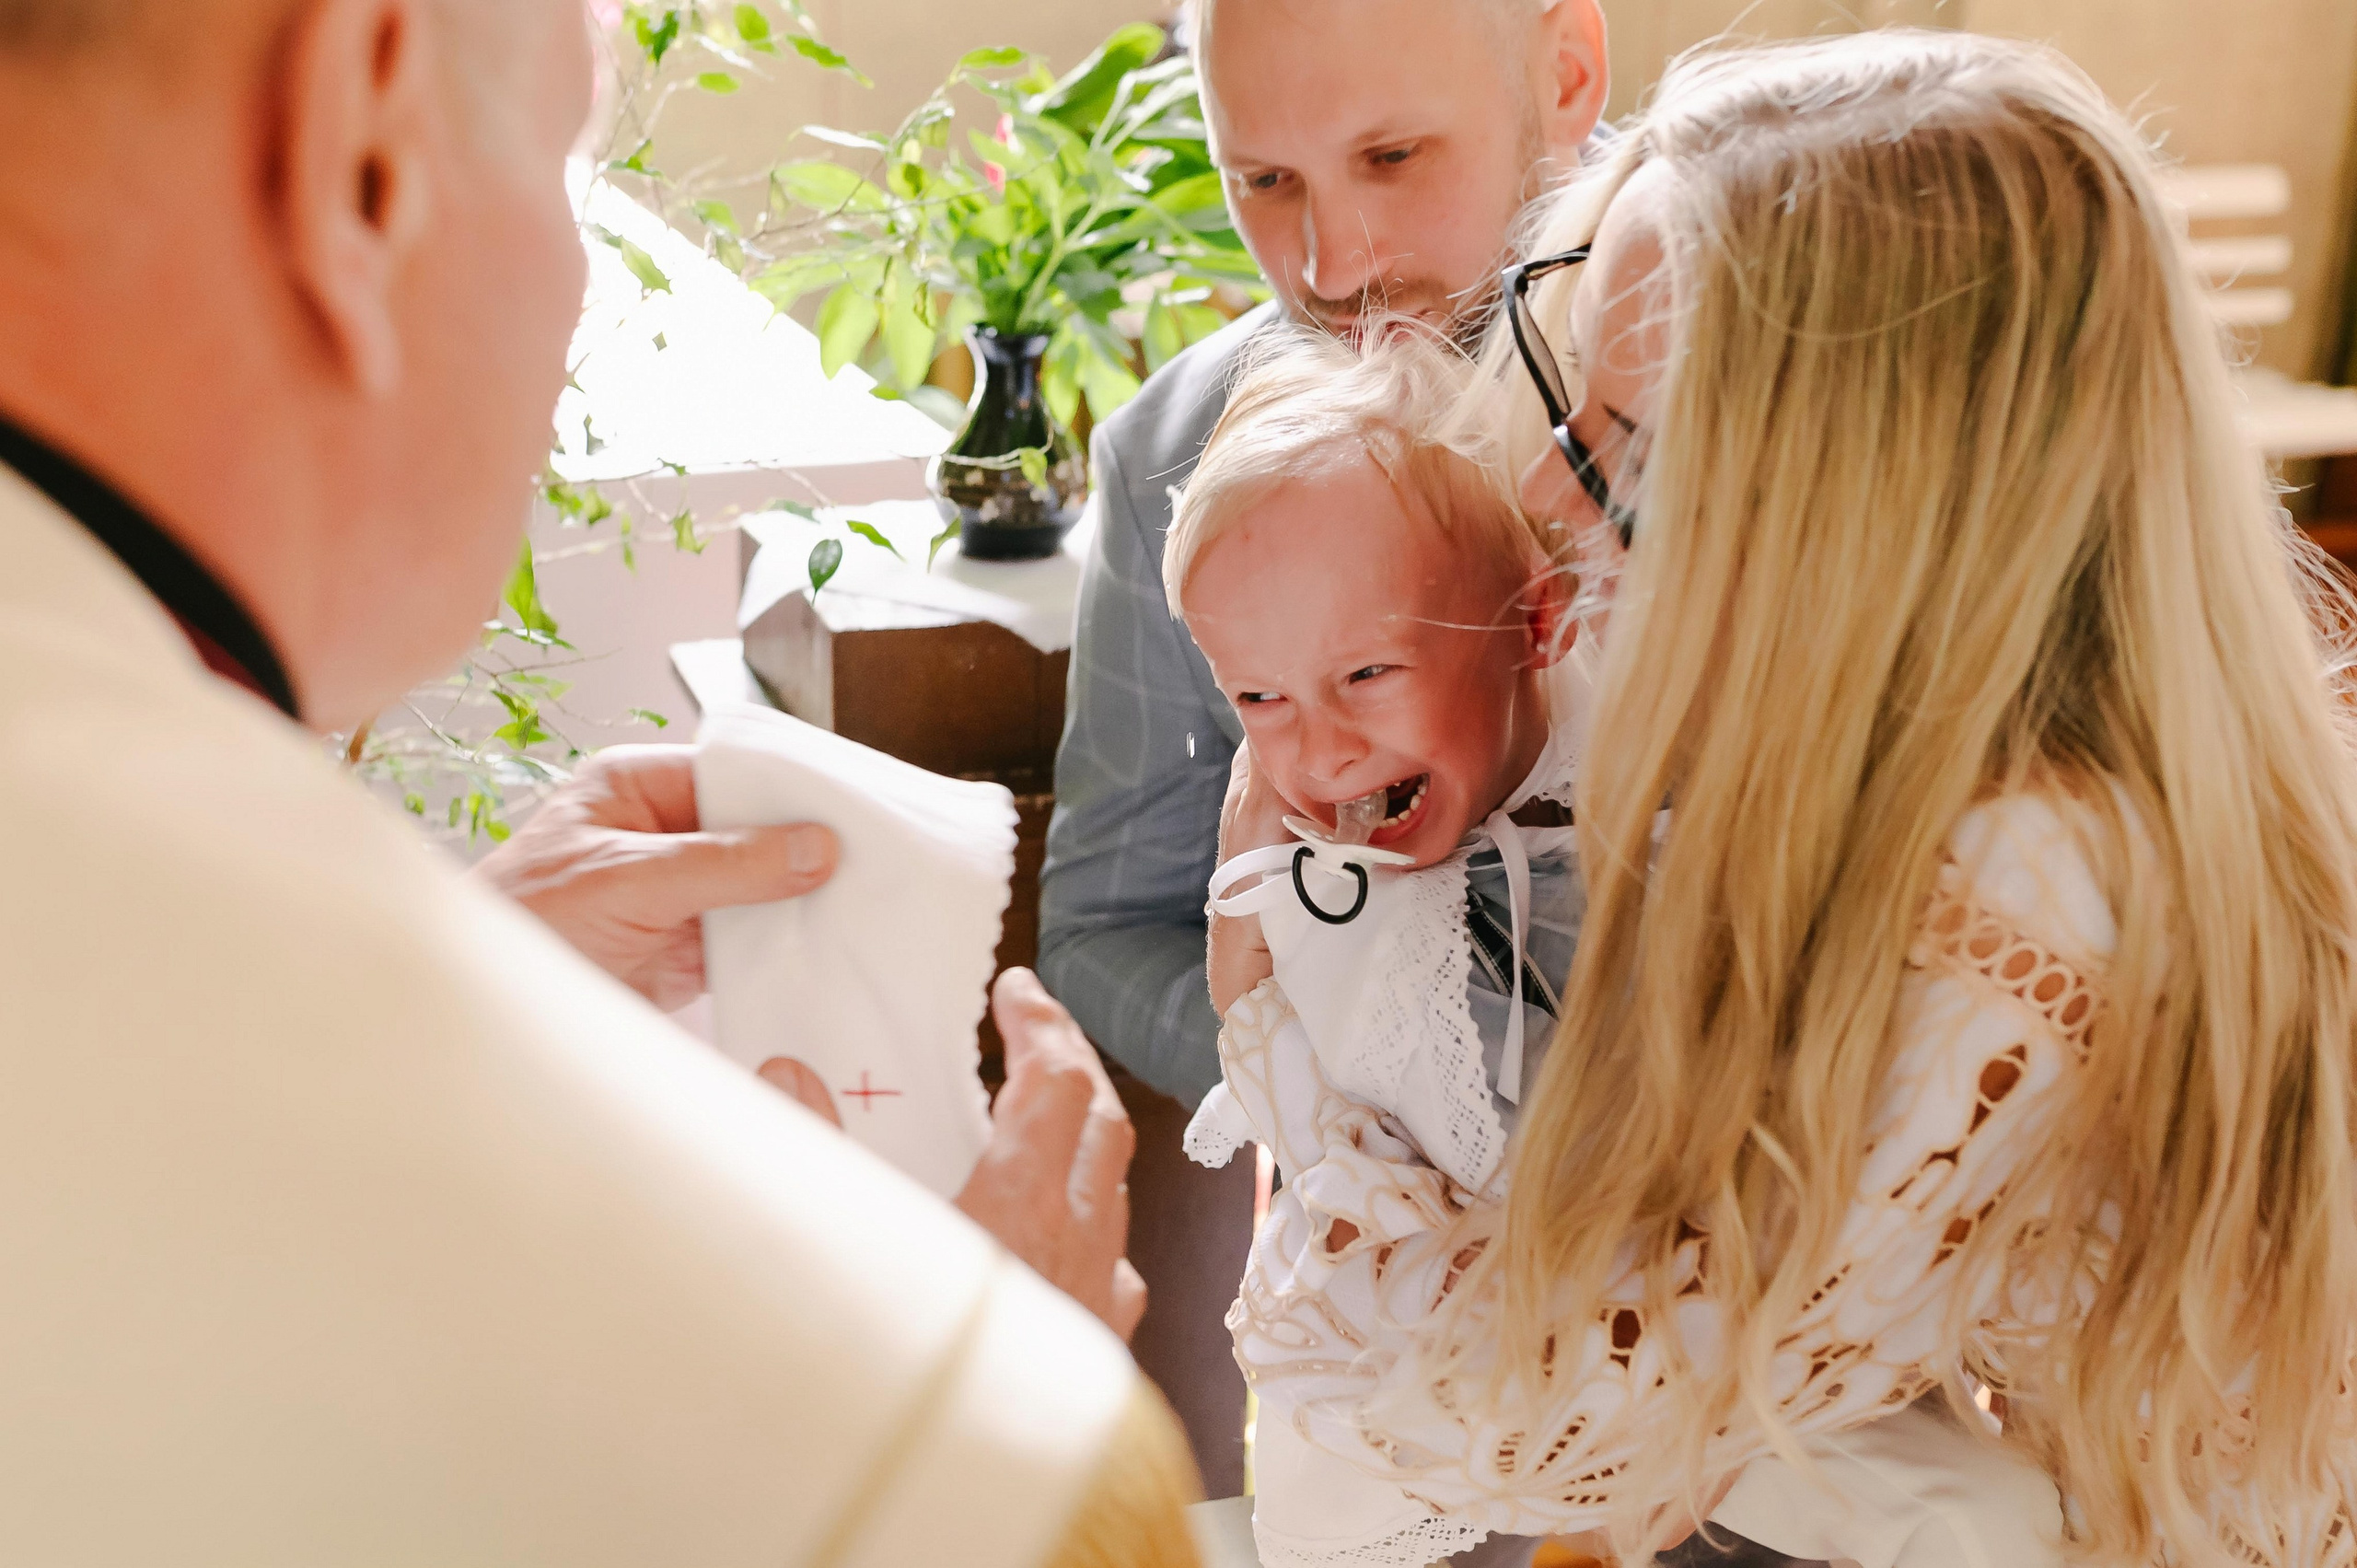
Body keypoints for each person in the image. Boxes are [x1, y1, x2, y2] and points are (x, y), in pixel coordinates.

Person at [0, 0, 1197, 1561]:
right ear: (360, 143)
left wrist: (456, 982)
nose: (571, 317)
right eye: (574, 158)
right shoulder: (940, 1451)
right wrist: (971, 1392)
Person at [1221, 28, 2357, 1567]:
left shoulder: (2032, 884)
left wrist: (1271, 1011)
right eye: (1562, 391)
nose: (1548, 502)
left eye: (1620, 460)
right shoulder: (1970, 732)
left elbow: (1516, 1416)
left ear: (1845, 531)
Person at [1167, 327, 2070, 1568]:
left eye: (1368, 671)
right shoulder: (1297, 848)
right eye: (1256, 696)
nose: (1314, 750)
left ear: (1535, 626)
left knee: (1984, 1516)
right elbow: (1314, 1115)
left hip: (1714, 1318)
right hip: (1417, 1322)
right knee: (1329, 1502)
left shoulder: (1660, 775)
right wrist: (1249, 968)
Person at [1041, 0, 1612, 1107]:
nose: (1332, 267)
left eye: (1391, 158)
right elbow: (1104, 926)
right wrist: (1341, 1093)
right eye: (1262, 182)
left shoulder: (1769, 384)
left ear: (1567, 74)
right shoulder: (1168, 457)